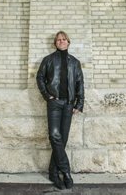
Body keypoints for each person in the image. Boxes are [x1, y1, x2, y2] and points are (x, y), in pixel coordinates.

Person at [36, 31, 84, 190]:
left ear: (68, 42)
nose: (61, 42)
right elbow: (40, 78)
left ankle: (53, 172)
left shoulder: (75, 62)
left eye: (64, 39)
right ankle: (66, 172)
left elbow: (80, 83)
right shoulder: (48, 60)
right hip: (54, 103)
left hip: (69, 104)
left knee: (62, 139)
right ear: (55, 43)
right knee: (54, 135)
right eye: (58, 40)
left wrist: (79, 103)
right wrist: (47, 96)